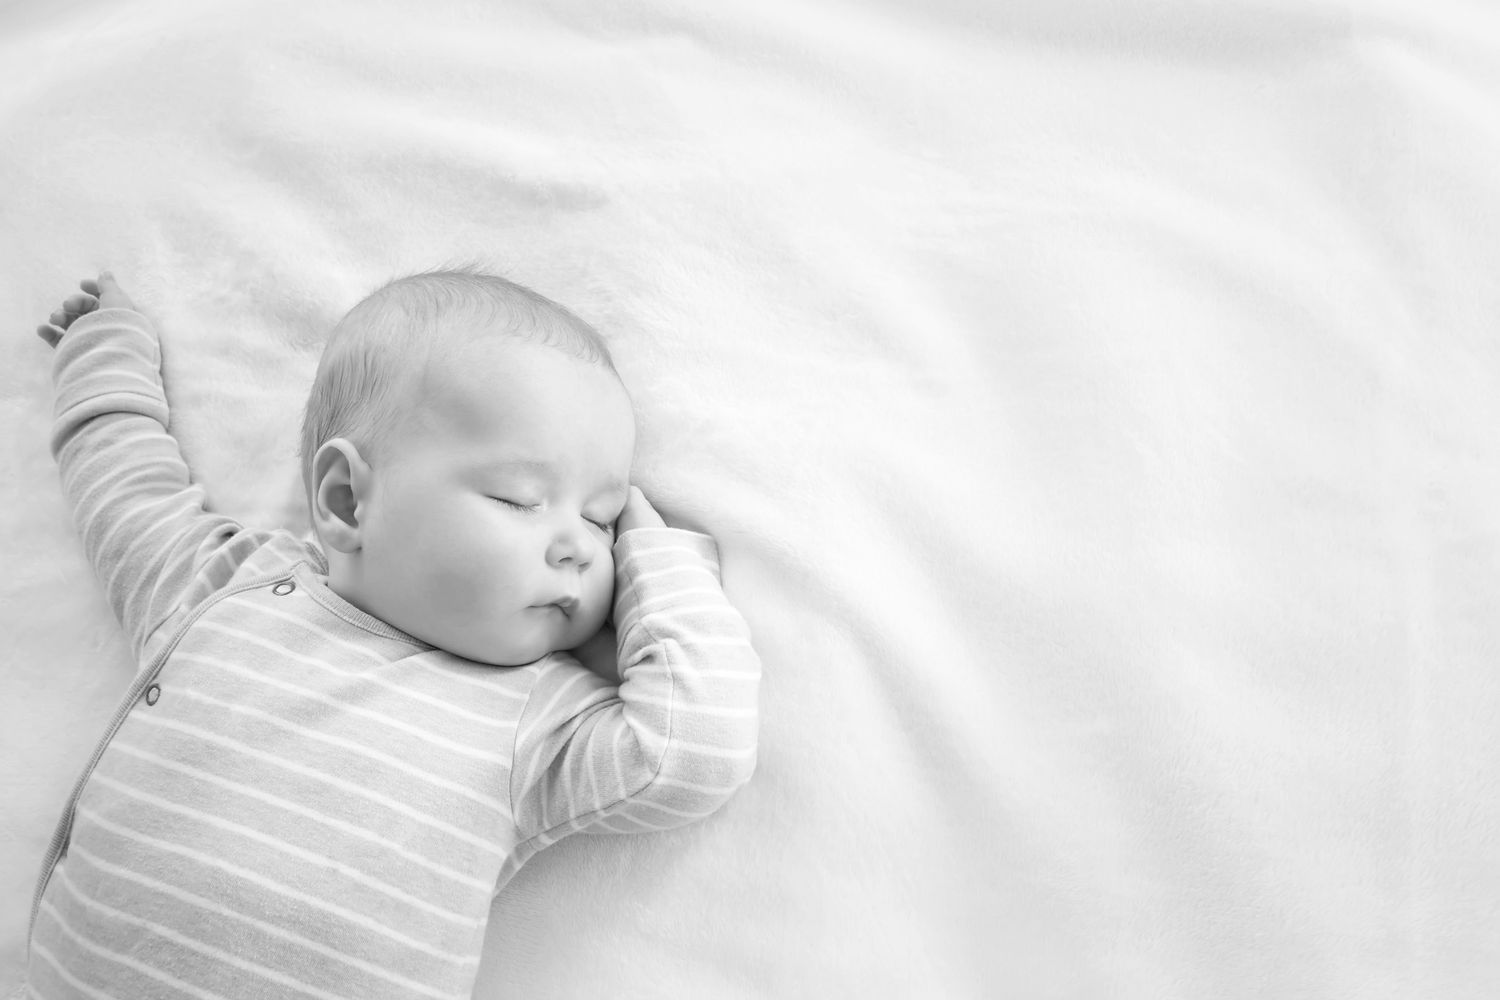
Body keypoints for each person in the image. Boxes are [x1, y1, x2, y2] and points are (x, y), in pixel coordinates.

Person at [24, 269, 761, 999]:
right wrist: (102, 354)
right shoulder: (220, 588)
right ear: (347, 500)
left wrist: (655, 559)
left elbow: (693, 750)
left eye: (601, 519)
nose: (580, 545)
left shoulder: (535, 720)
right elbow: (125, 491)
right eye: (521, 498)